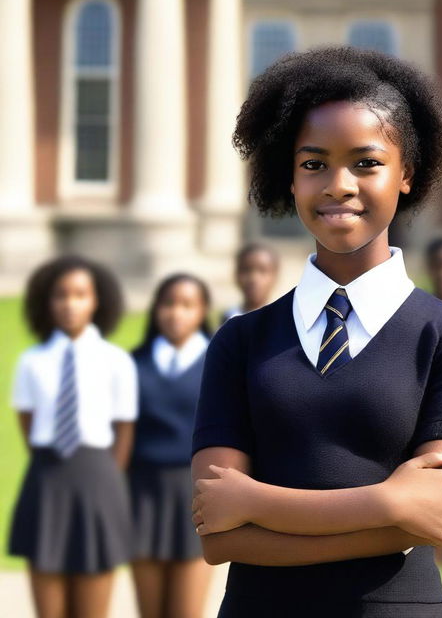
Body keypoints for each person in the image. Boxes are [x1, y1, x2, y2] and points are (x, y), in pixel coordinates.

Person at [190, 46, 442, 618]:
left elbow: (435, 518)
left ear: (406, 172)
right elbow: (219, 538)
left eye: (366, 162)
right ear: (289, 175)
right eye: (313, 164)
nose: (338, 184)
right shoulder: (240, 341)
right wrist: (388, 503)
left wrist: (256, 501)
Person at [8, 255, 137, 618]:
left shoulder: (116, 361)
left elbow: (123, 429)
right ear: (46, 303)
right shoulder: (32, 361)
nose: (70, 304)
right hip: (46, 481)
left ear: (96, 300)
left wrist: (108, 483)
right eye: (61, 295)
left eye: (80, 294)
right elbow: (28, 426)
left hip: (98, 481)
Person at [128, 273, 214, 618]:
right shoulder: (132, 363)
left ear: (202, 311)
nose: (175, 313)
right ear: (155, 310)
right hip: (141, 495)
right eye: (168, 304)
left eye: (187, 305)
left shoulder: (219, 363)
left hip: (194, 495)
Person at [220, 242, 280, 323]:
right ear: (236, 274)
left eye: (262, 271)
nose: (253, 279)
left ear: (275, 276)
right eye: (246, 270)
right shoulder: (228, 319)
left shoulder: (284, 320)